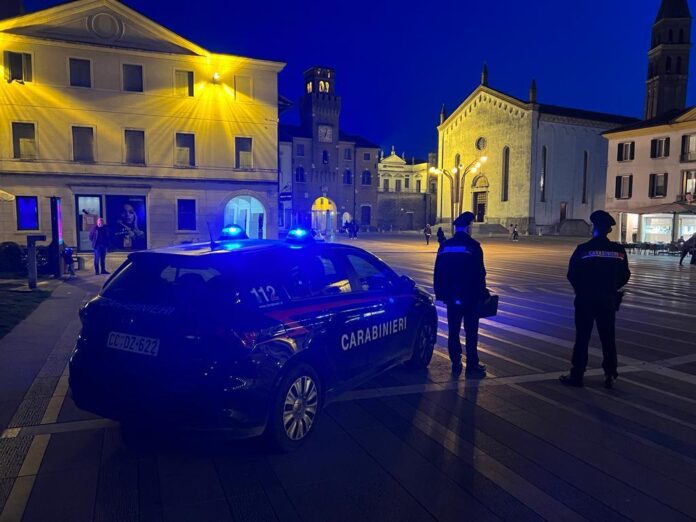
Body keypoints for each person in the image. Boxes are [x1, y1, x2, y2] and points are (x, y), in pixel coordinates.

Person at [561, 210, 630, 389]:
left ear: (594, 228)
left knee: (582, 337)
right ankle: (610, 374)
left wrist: (582, 290)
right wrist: (611, 288)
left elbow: (572, 274)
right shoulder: (618, 251)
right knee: (608, 337)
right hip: (607, 299)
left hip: (586, 299)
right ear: (608, 230)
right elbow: (625, 275)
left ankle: (577, 375)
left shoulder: (583, 249)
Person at [433, 212, 488, 377]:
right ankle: (472, 364)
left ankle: (455, 362)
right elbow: (480, 274)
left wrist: (440, 293)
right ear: (469, 226)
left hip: (452, 297)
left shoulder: (445, 246)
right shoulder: (473, 246)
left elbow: (438, 272)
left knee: (453, 330)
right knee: (471, 331)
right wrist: (483, 294)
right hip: (470, 297)